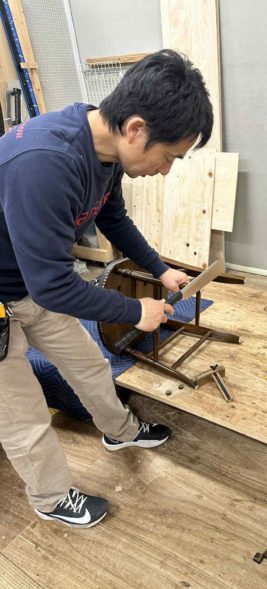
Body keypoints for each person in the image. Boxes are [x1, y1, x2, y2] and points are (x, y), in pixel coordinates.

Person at [0, 50, 213, 528]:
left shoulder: (105, 150)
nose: (166, 170)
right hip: (11, 294)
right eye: (169, 156)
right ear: (136, 128)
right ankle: (51, 498)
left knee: (90, 366)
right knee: (22, 413)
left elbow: (112, 218)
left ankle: (120, 431)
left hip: (32, 285)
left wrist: (160, 270)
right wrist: (135, 311)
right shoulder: (45, 163)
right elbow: (54, 286)